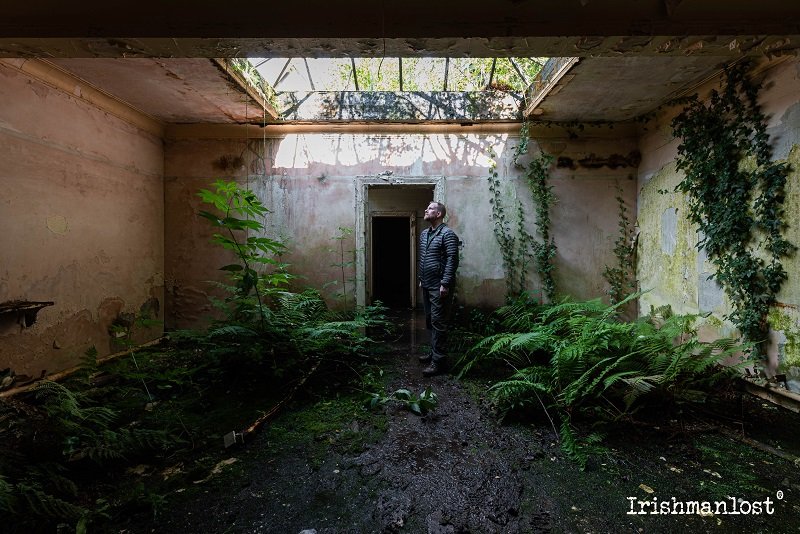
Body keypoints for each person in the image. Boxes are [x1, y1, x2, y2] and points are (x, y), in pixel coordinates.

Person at [418, 201, 460, 376]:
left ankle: (439, 362)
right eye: (426, 207)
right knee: (430, 320)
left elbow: (452, 260)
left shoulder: (448, 234)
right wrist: (422, 279)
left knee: (439, 322)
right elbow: (424, 258)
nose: (426, 210)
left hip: (439, 286)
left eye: (430, 208)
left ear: (439, 214)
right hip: (427, 284)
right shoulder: (424, 234)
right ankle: (433, 353)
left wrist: (445, 283)